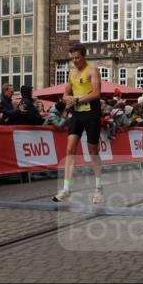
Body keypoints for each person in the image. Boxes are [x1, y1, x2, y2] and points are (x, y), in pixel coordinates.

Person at [54, 43, 103, 204]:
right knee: (70, 149)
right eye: (72, 58)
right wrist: (67, 98)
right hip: (77, 114)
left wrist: (77, 99)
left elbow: (96, 93)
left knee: (93, 150)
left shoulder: (92, 71)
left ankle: (98, 188)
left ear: (83, 56)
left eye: (77, 58)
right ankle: (66, 189)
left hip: (92, 113)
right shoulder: (72, 73)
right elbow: (65, 94)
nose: (74, 61)